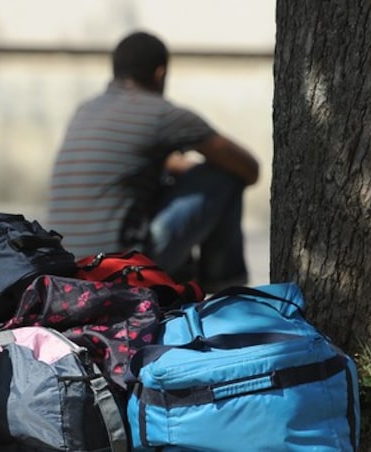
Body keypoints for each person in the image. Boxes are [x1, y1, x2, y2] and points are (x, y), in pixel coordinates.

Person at [47, 31, 259, 292]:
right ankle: (225, 288)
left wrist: (178, 169)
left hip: (67, 268)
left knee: (162, 185)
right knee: (224, 178)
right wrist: (194, 175)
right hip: (120, 268)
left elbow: (137, 160)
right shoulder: (162, 114)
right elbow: (248, 168)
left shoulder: (86, 110)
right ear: (160, 74)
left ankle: (181, 285)